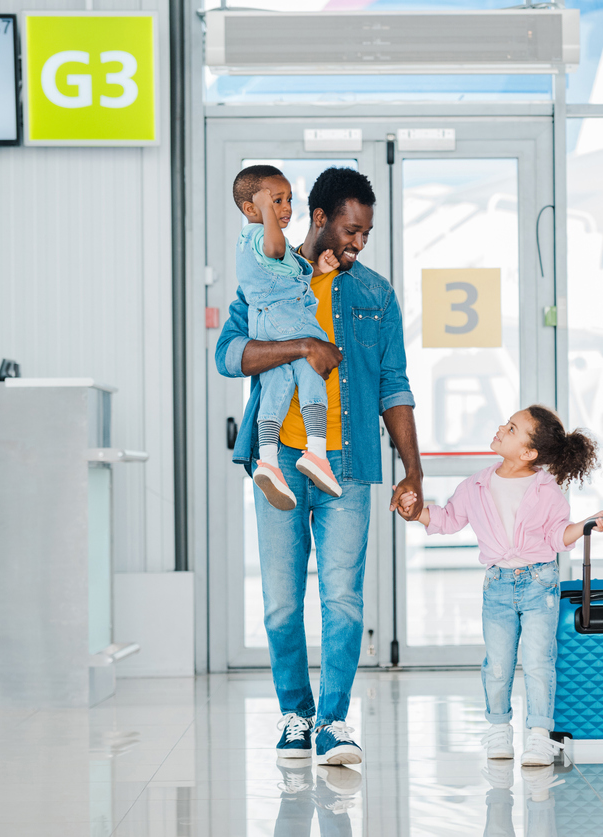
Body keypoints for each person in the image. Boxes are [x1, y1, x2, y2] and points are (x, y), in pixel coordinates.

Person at [216, 166, 424, 767]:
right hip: (277, 461)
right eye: (351, 230)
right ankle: (295, 713)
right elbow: (230, 354)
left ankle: (332, 721)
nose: (358, 243)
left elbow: (394, 384)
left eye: (366, 234)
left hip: (347, 464)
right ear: (318, 219)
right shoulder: (266, 277)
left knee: (344, 600)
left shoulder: (375, 295)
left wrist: (412, 469)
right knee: (282, 603)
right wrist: (302, 347)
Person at [396, 405, 603, 765]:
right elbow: (449, 520)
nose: (502, 427)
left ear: (528, 453)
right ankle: (499, 729)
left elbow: (558, 535)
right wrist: (416, 511)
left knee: (538, 661)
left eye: (512, 428)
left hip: (540, 584)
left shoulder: (547, 490)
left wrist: (587, 524)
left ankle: (539, 735)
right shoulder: (476, 484)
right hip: (497, 586)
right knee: (497, 664)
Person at [231, 164, 342, 510]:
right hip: (286, 322)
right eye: (276, 200)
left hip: (268, 325)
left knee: (277, 386)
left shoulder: (260, 243)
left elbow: (285, 274)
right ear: (251, 208)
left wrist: (317, 270)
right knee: (312, 370)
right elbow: (277, 251)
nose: (286, 208)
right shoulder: (257, 235)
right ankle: (317, 452)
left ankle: (268, 460)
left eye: (288, 199)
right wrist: (267, 214)